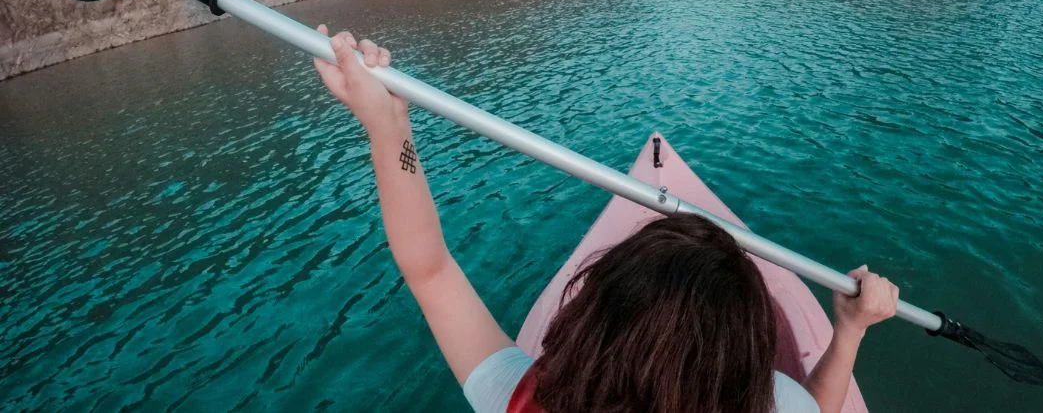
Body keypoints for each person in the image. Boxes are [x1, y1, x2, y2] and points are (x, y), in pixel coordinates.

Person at [313, 26, 901, 413]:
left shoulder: (518, 396)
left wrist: (388, 127)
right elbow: (823, 409)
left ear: (593, 318)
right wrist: (848, 329)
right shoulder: (777, 403)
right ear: (740, 365)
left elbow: (430, 269)